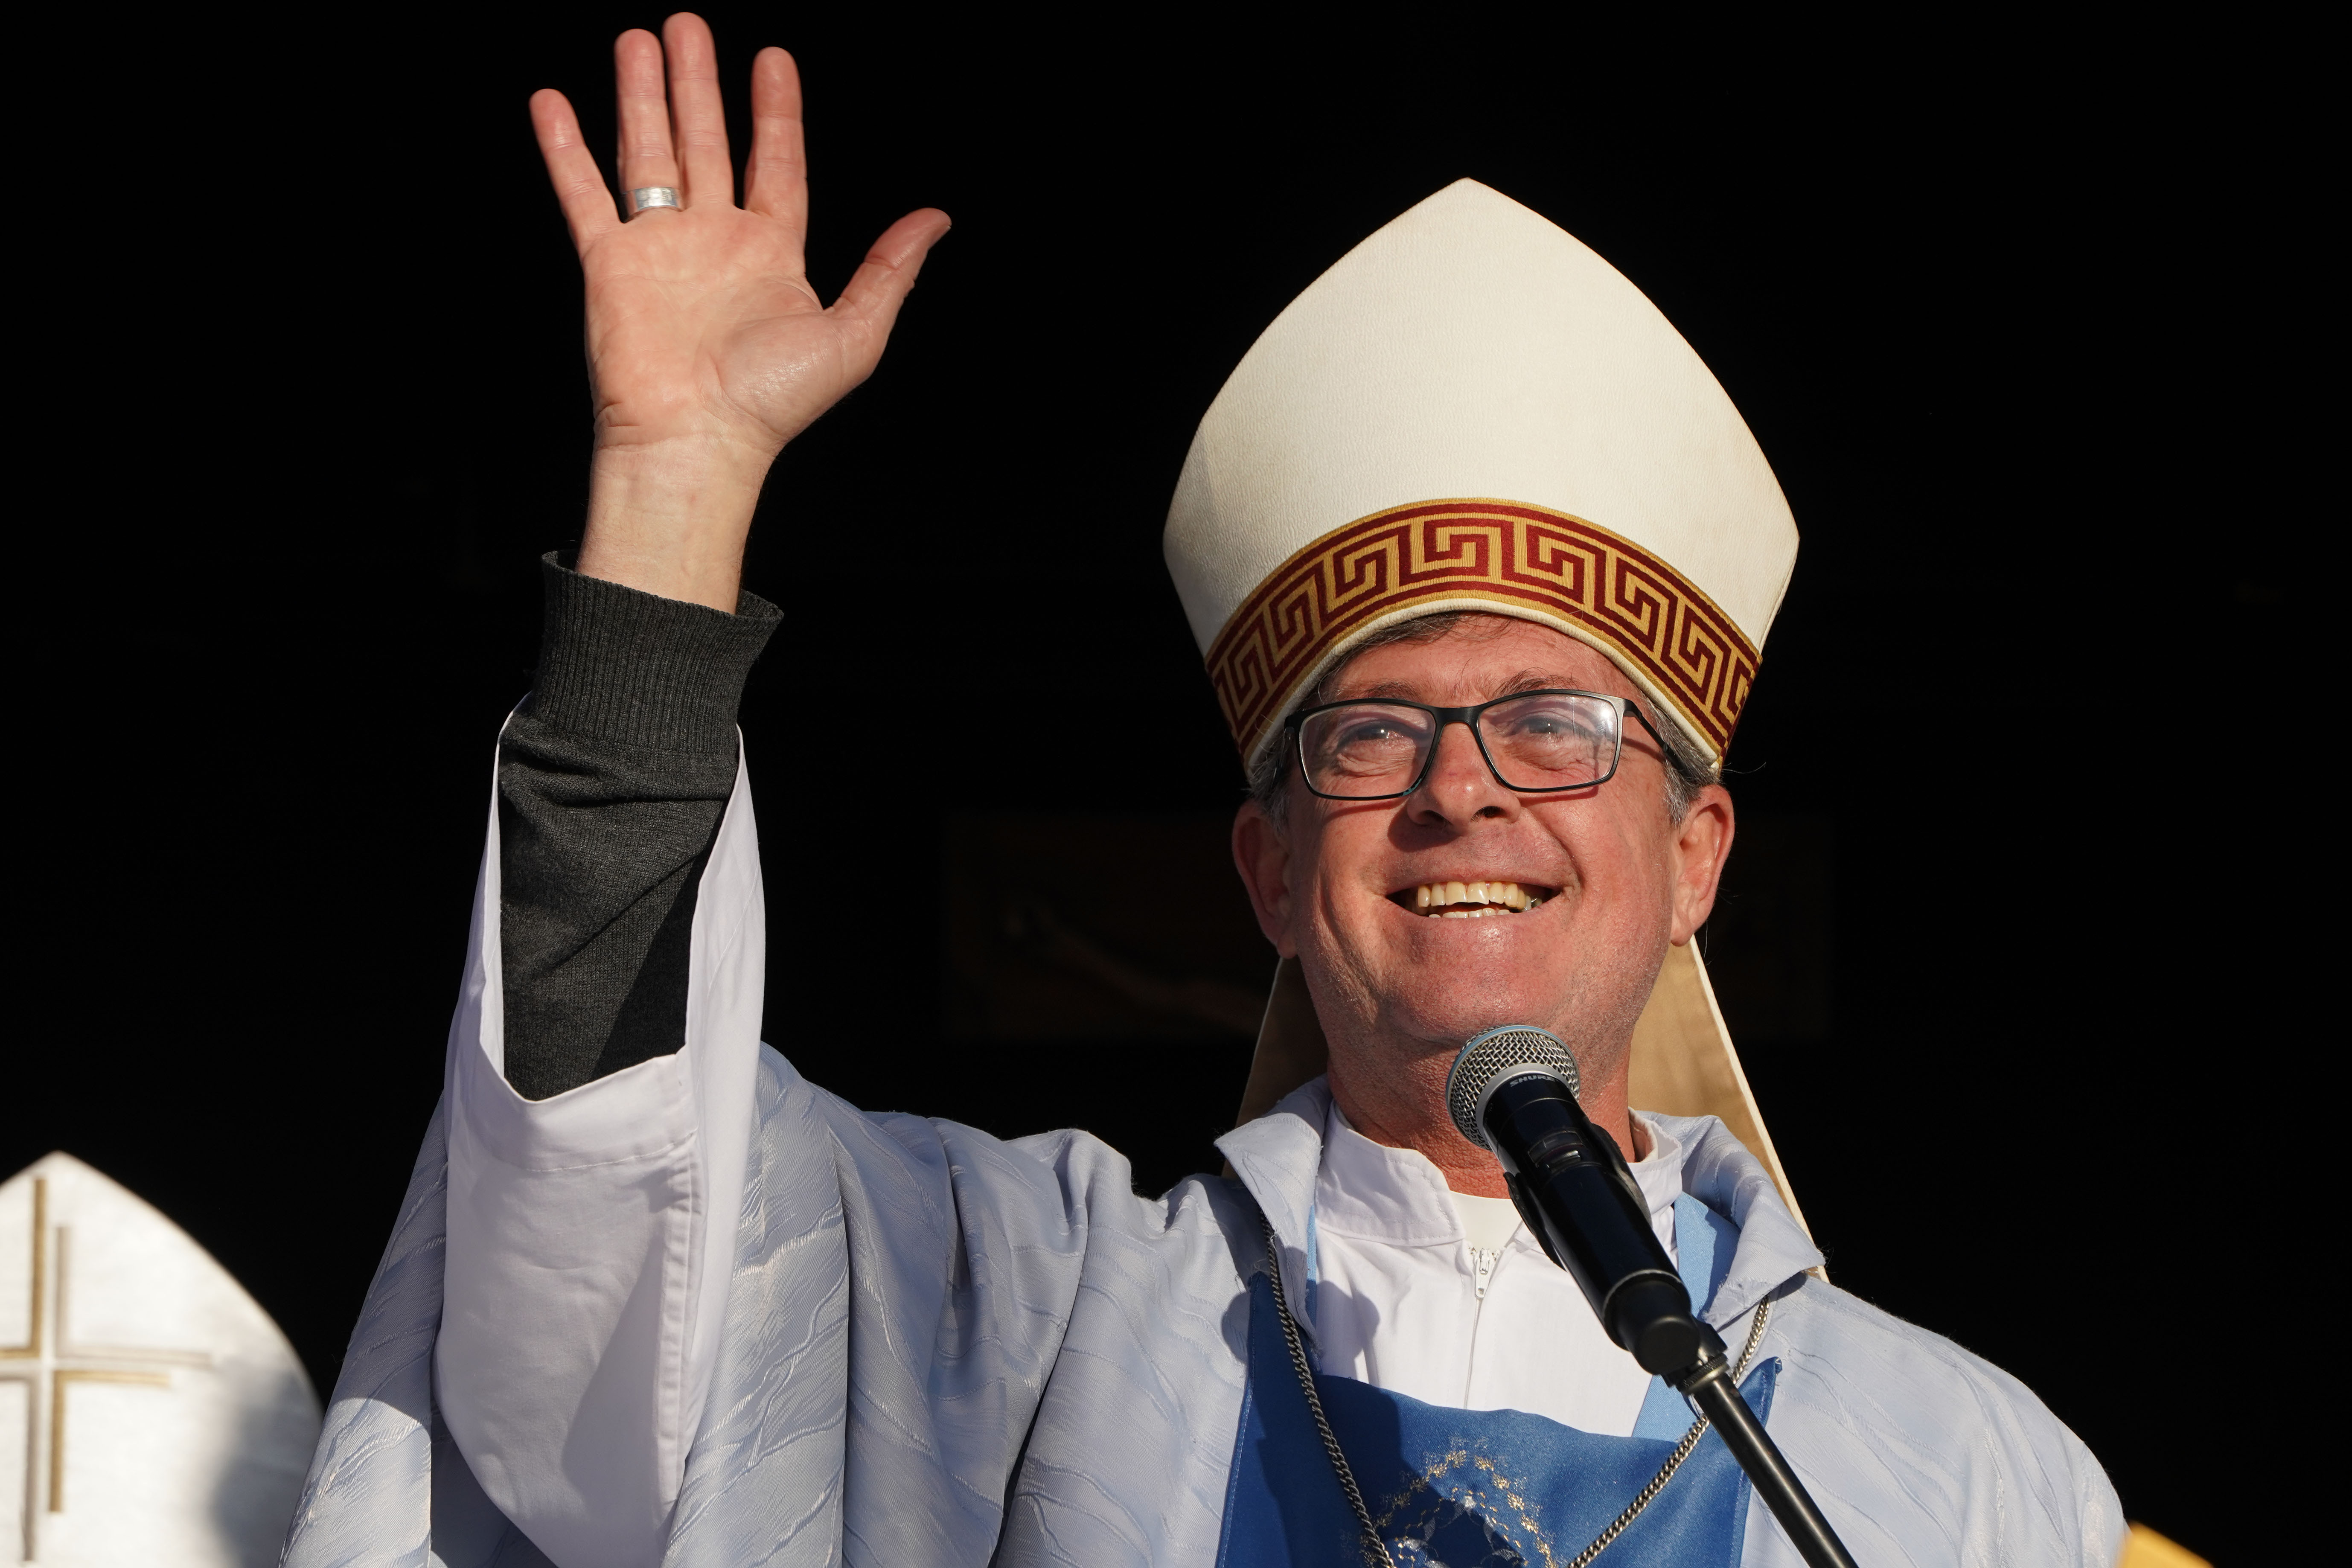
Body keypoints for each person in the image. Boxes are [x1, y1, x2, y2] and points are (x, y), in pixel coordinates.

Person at [283, 15, 2122, 1567]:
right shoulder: (1012, 1317)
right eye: (1372, 733)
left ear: (1697, 846)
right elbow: (607, 1226)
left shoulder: (1961, 1472)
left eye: (1553, 723)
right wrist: (674, 494)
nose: (1461, 793)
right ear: (1265, 867)